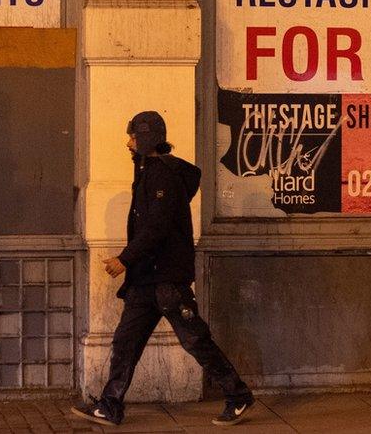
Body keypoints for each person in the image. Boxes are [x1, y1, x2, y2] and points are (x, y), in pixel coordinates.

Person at [72, 111, 254, 427]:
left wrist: (124, 259)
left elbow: (156, 228)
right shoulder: (147, 172)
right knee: (125, 341)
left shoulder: (163, 177)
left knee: (195, 340)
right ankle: (110, 405)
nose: (127, 143)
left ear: (145, 139)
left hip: (167, 280)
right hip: (145, 280)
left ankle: (238, 396)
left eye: (132, 137)